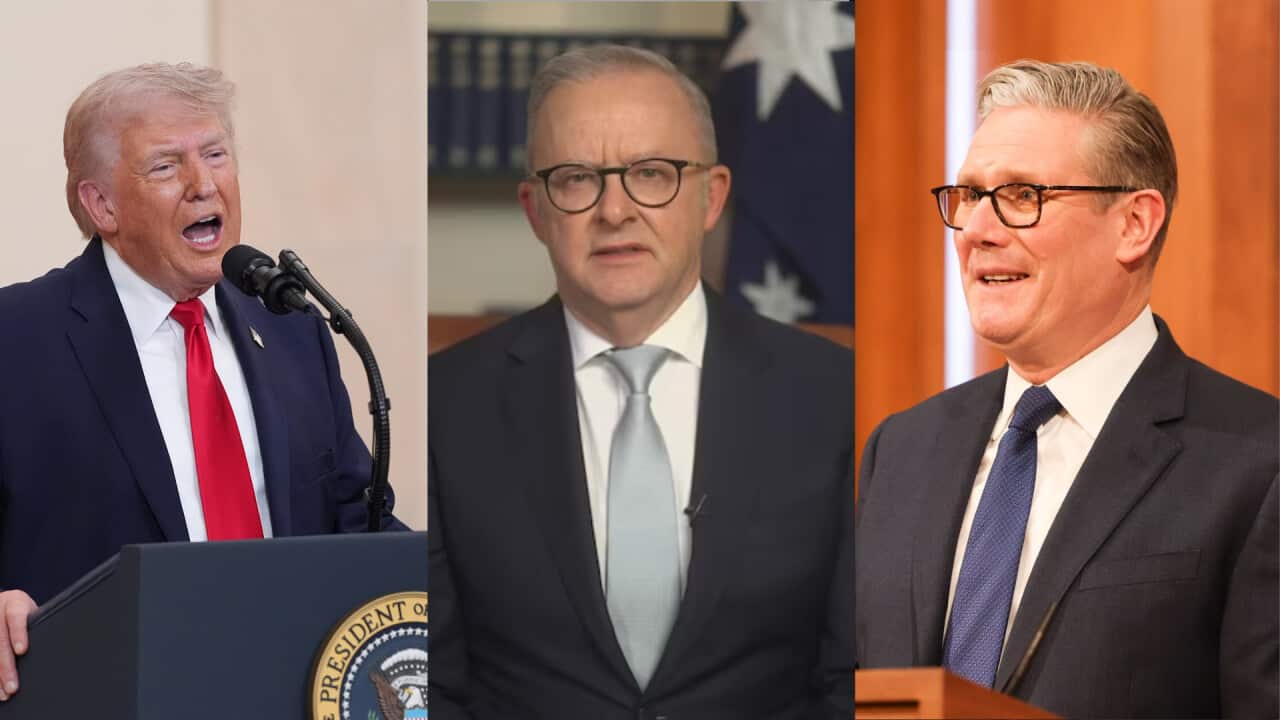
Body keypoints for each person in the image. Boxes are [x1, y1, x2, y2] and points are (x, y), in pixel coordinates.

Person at [428, 45, 854, 719]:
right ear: (535, 209)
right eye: (576, 180)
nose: (615, 211)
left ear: (711, 197)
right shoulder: (443, 407)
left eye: (651, 174)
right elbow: (433, 683)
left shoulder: (835, 398)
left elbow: (849, 680)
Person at [855, 59, 1278, 718]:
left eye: (1023, 195)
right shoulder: (900, 451)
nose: (974, 230)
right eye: (968, 195)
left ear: (1134, 224)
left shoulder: (1257, 461)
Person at [0, 62, 397, 700]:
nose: (203, 184)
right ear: (100, 204)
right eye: (165, 166)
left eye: (215, 154)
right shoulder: (16, 340)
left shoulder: (294, 328)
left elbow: (355, 520)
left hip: (288, 687)